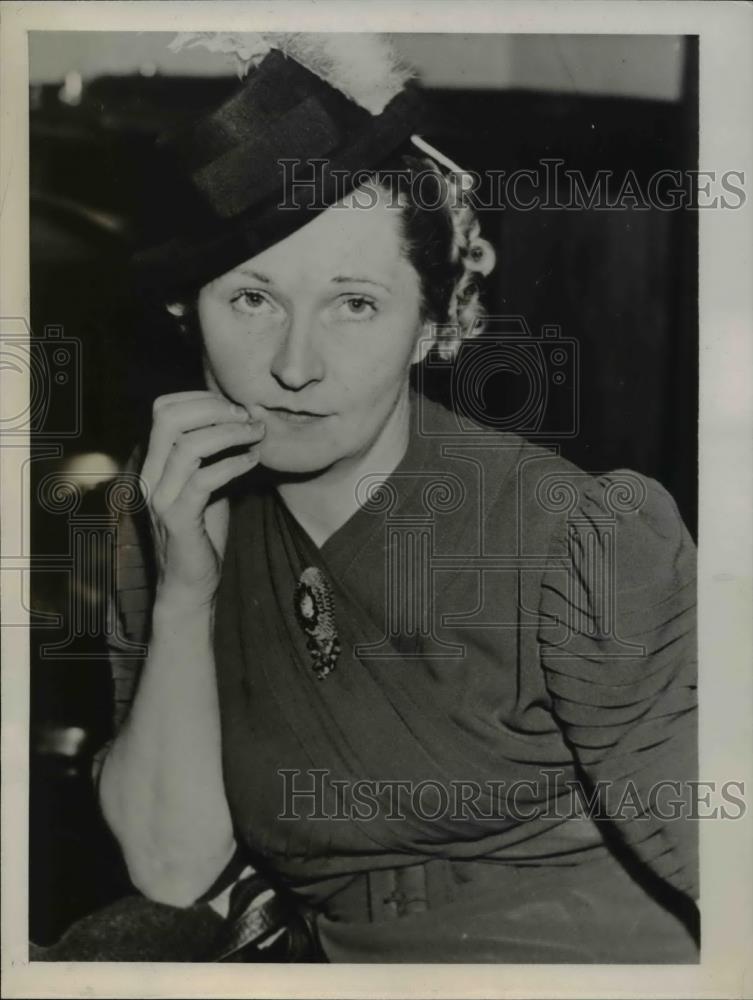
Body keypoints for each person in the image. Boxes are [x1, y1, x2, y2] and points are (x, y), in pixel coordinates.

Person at [91, 32, 699, 963]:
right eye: (252, 300)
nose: (295, 366)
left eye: (355, 304)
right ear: (186, 314)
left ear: (431, 325)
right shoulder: (161, 503)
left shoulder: (578, 537)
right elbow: (173, 869)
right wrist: (185, 589)